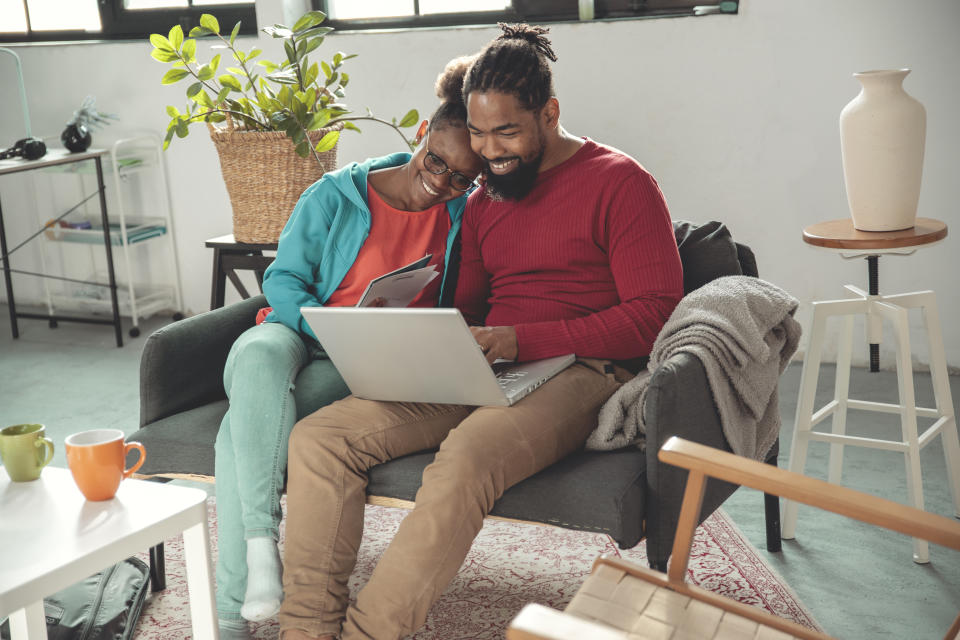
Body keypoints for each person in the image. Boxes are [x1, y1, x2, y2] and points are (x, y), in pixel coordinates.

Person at [278, 23, 685, 640]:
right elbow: (465, 305)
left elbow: (655, 313)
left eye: (507, 132)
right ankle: (304, 632)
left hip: (583, 367)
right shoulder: (487, 195)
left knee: (465, 458)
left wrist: (523, 340)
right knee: (321, 437)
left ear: (549, 113)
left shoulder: (621, 183)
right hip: (486, 360)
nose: (489, 151)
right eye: (477, 130)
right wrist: (420, 335)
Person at [213, 56, 483, 640]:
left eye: (462, 177)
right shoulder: (336, 194)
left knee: (242, 426)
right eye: (437, 160)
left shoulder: (462, 216)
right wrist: (322, 326)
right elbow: (282, 280)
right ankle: (263, 542)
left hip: (357, 360)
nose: (443, 180)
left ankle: (234, 611)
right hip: (295, 329)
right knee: (258, 358)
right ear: (421, 134)